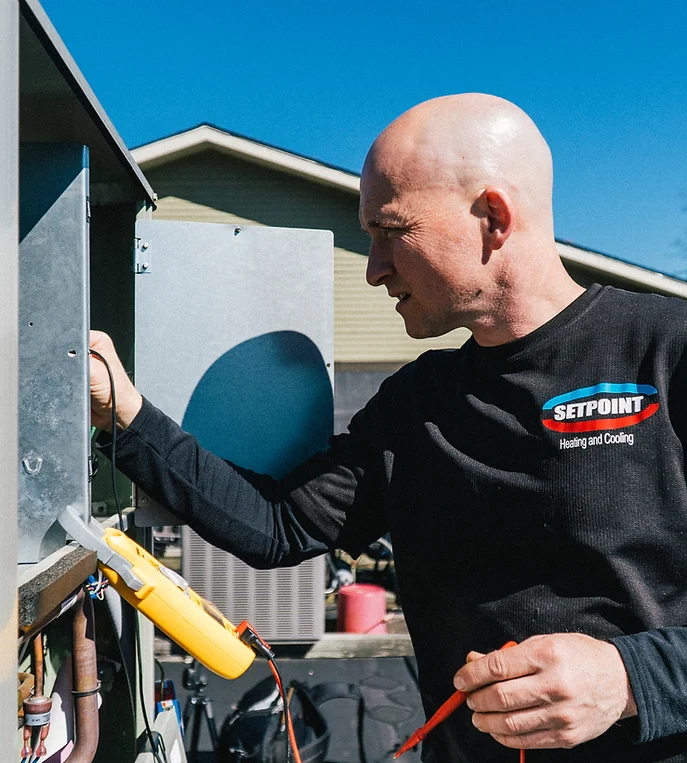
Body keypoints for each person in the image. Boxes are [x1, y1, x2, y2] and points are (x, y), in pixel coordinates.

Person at [90, 93, 687, 762]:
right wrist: (125, 416)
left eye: (389, 230)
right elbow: (275, 525)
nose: (372, 267)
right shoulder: (416, 403)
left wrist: (630, 678)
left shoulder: (666, 352)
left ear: (491, 217)